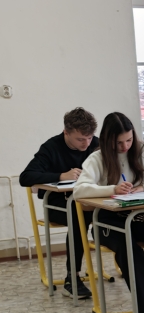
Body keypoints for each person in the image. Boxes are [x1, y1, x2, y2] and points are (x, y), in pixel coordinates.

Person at [73, 112, 144, 313]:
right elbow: (79, 190)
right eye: (119, 142)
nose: (125, 147)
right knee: (129, 247)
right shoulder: (97, 158)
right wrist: (112, 189)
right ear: (107, 140)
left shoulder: (143, 151)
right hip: (107, 221)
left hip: (139, 216)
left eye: (129, 140)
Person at [19, 107, 99, 298]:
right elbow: (25, 177)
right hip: (57, 205)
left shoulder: (96, 144)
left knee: (108, 212)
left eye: (89, 138)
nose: (86, 143)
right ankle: (72, 278)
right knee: (80, 213)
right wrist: (61, 176)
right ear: (66, 133)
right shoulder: (51, 147)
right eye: (80, 139)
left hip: (89, 200)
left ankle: (128, 265)